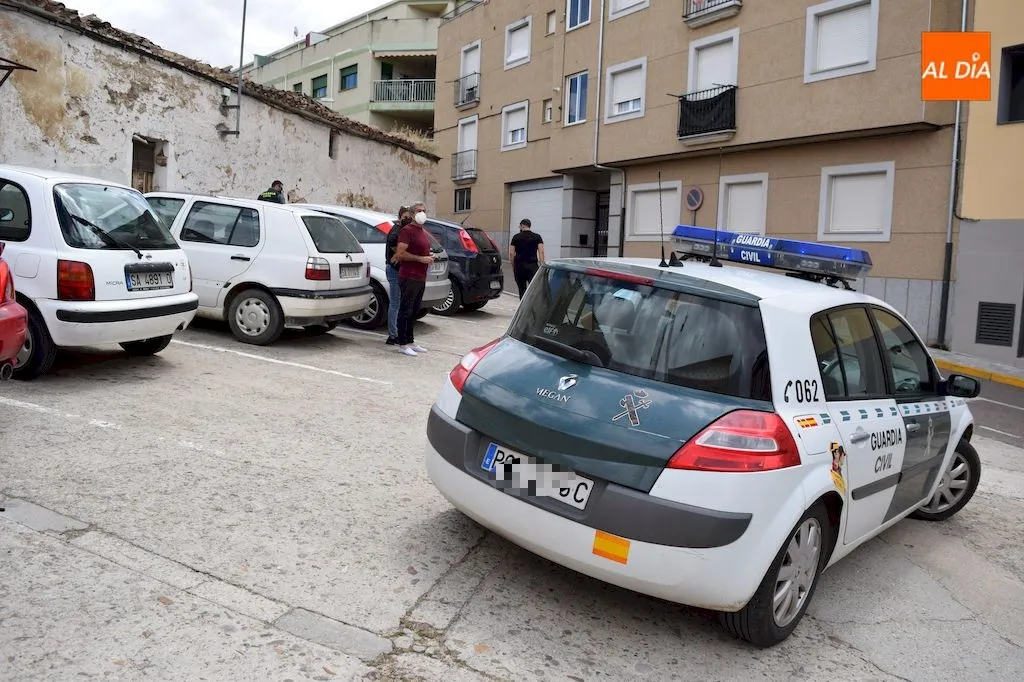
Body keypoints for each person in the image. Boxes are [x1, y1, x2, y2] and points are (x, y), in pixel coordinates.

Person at [393, 202, 433, 356]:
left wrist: (428, 257)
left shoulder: (421, 230)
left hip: (420, 276)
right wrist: (420, 259)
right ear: (411, 214)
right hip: (409, 276)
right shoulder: (407, 230)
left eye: (424, 210)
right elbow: (400, 254)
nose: (422, 213)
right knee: (405, 309)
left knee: (414, 310)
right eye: (418, 211)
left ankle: (410, 341)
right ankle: (402, 344)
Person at [383, 206, 412, 345]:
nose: (408, 219)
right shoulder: (396, 232)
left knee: (399, 303)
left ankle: (396, 333)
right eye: (405, 216)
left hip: (401, 271)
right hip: (394, 270)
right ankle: (393, 335)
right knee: (395, 302)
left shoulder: (404, 231)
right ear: (400, 217)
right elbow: (397, 253)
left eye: (409, 216)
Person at [509, 218, 544, 298]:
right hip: (532, 266)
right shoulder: (537, 237)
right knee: (533, 288)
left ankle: (523, 307)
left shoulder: (516, 237)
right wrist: (542, 265)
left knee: (522, 289)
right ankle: (532, 306)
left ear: (522, 226)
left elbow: (511, 253)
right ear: (529, 226)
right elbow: (541, 252)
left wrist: (513, 265)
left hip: (519, 266)